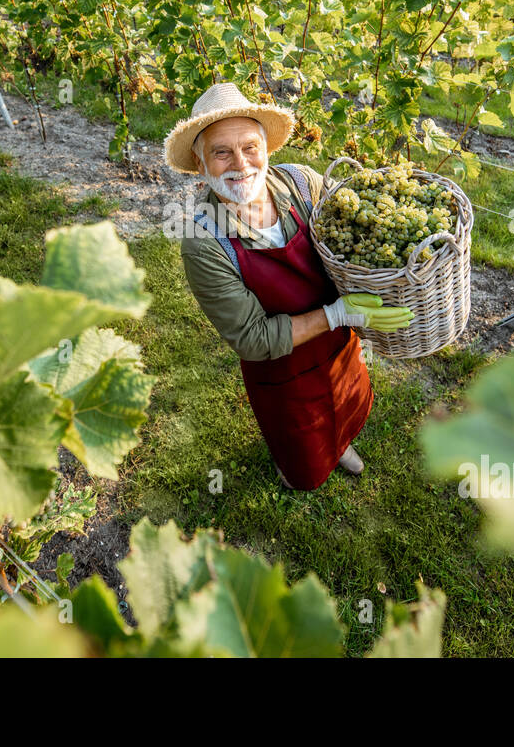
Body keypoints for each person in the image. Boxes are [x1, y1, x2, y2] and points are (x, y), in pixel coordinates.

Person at [165, 81, 413, 491]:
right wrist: (336, 313)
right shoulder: (204, 241)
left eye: (250, 147)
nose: (241, 164)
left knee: (346, 403)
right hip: (283, 369)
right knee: (301, 448)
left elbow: (353, 231)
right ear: (200, 161)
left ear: (266, 147)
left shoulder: (301, 184)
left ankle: (341, 444)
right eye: (221, 152)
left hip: (339, 346)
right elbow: (252, 338)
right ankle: (298, 467)